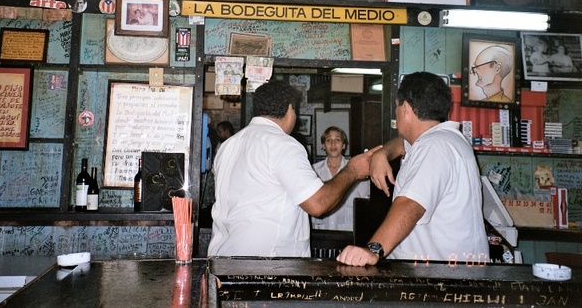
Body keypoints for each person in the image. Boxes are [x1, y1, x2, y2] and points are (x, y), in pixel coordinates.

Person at [208, 79, 379, 257]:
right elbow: (318, 204)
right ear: (290, 109)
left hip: (222, 258)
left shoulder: (229, 145)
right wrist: (353, 170)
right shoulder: (282, 144)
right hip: (264, 265)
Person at [337, 72, 488, 266]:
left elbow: (410, 205)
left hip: (442, 279)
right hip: (443, 272)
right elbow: (401, 144)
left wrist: (373, 250)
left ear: (406, 108)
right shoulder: (443, 139)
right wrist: (382, 154)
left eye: (397, 107)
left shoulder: (434, 147)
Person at [311, 126, 370, 231]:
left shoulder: (356, 169)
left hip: (348, 233)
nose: (333, 144)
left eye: (337, 140)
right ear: (323, 146)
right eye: (328, 140)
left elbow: (365, 204)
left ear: (343, 145)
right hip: (321, 233)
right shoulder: (313, 171)